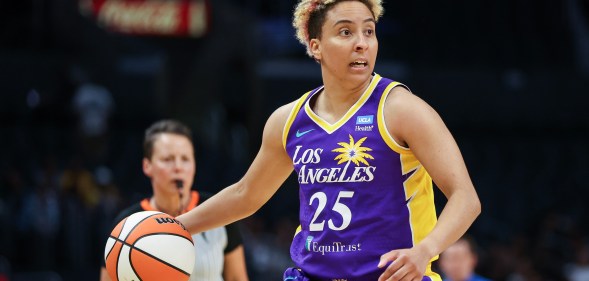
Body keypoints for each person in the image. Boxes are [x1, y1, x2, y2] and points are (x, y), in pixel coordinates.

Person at [177, 0, 481, 280]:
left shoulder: (401, 109)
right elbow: (246, 194)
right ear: (316, 46)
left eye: (369, 32)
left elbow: (465, 198)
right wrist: (177, 227)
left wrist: (426, 250)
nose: (362, 44)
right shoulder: (288, 120)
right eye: (345, 32)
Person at [100, 120, 249, 281]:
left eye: (185, 159)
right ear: (147, 166)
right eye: (168, 159)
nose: (178, 167)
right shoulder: (126, 224)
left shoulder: (218, 210)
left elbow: (236, 277)